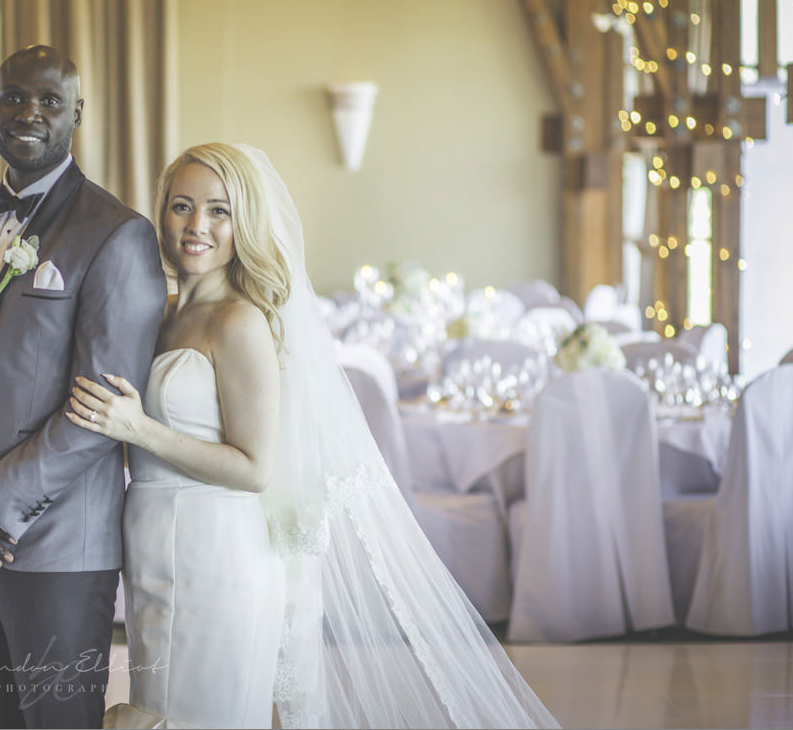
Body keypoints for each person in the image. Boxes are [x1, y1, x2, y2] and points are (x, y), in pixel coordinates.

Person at [70, 144, 559, 729]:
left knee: (202, 714)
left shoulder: (239, 321)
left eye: (219, 210)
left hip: (217, 550)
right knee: (159, 706)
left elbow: (253, 468)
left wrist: (139, 429)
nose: (197, 225)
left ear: (244, 223)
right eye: (182, 206)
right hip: (150, 540)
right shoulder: (159, 312)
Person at [0, 44, 168, 729]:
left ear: (77, 114)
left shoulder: (117, 234)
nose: (29, 112)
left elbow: (101, 410)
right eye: (14, 97)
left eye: (50, 101)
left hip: (57, 545)